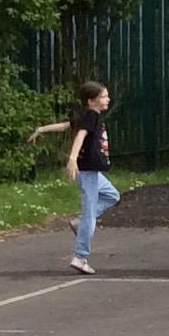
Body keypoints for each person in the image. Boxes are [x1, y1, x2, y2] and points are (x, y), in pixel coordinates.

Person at [30, 81, 119, 275]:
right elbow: (80, 136)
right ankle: (80, 256)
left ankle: (80, 223)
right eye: (104, 97)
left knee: (112, 195)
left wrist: (42, 129)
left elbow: (66, 126)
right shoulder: (92, 116)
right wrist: (72, 159)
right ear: (91, 101)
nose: (108, 99)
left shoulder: (88, 116)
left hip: (92, 172)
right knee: (89, 215)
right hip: (87, 172)